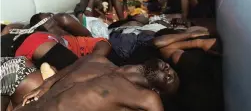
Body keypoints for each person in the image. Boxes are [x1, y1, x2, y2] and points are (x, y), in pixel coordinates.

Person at [19, 53, 179, 111]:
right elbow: (66, 70)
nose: (170, 70)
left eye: (171, 79)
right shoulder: (97, 59)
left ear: (158, 91)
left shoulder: (145, 98)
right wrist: (47, 84)